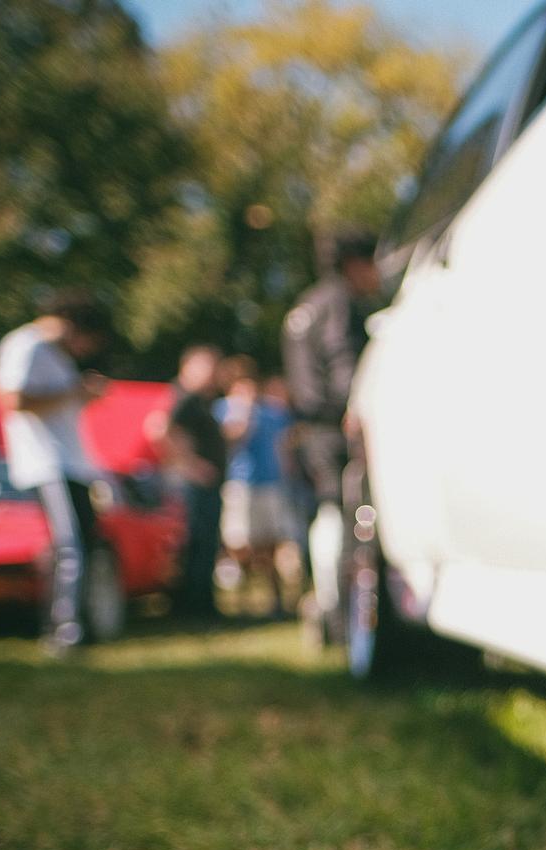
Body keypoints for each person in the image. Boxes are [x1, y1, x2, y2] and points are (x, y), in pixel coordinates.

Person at [0, 289, 111, 654]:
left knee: (84, 546)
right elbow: (12, 400)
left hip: (72, 464)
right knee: (69, 545)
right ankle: (64, 630)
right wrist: (74, 392)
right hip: (47, 463)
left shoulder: (54, 356)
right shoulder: (24, 345)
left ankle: (80, 623)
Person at [282, 227, 380, 641]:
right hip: (336, 426)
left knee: (326, 515)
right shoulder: (339, 300)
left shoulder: (303, 306)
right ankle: (341, 618)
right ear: (355, 263)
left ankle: (326, 609)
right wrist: (355, 403)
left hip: (310, 429)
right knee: (346, 516)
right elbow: (341, 356)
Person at [214, 357, 291, 615]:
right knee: (240, 543)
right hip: (240, 485)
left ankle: (275, 599)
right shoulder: (223, 410)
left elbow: (284, 443)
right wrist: (242, 416)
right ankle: (242, 600)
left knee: (271, 542)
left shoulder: (271, 412)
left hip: (270, 484)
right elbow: (230, 441)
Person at [157, 345, 228, 618]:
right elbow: (160, 430)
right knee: (196, 543)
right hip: (193, 485)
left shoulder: (198, 399)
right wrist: (191, 466)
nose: (214, 374)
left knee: (204, 543)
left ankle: (199, 603)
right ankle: (193, 606)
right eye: (209, 367)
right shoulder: (184, 397)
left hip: (202, 484)